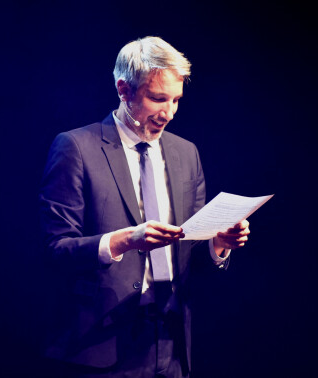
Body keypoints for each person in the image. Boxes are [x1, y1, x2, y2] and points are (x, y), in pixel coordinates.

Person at [39, 36, 250, 377]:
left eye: (176, 100)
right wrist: (123, 241)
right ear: (124, 90)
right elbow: (54, 250)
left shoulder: (186, 153)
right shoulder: (76, 147)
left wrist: (217, 245)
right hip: (99, 345)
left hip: (169, 340)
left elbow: (188, 252)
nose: (169, 113)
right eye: (157, 98)